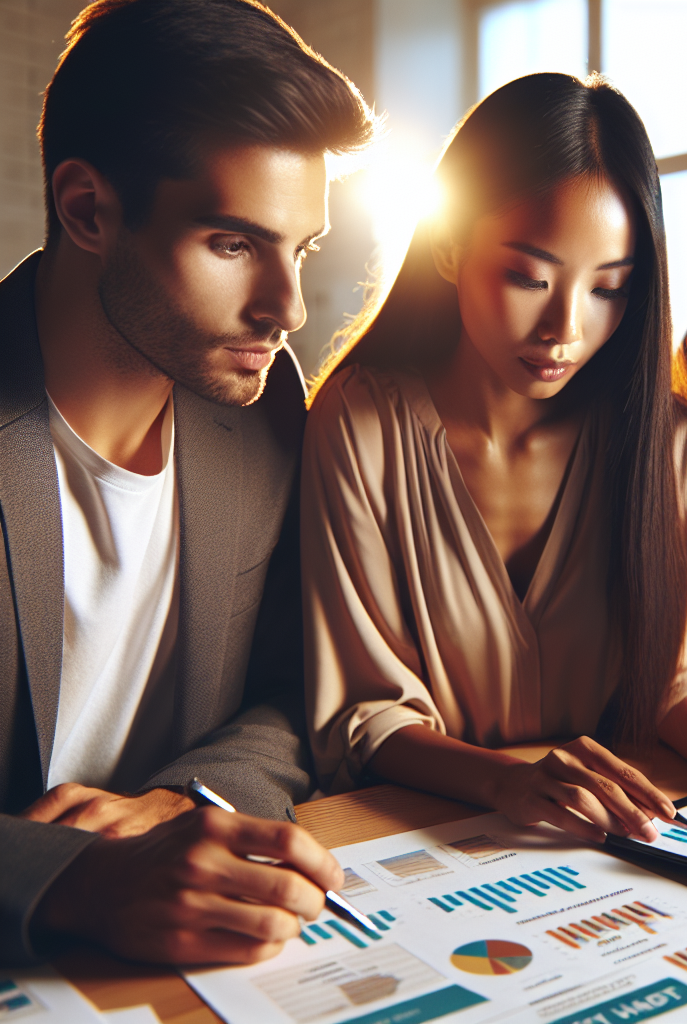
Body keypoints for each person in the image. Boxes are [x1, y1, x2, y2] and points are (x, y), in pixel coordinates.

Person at [302, 72, 687, 848]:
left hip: (610, 834)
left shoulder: (670, 442)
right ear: (451, 246)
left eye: (610, 289)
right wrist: (507, 782)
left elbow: (676, 680)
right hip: (419, 833)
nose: (565, 328)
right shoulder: (362, 422)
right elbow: (363, 714)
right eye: (529, 277)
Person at [1, 0, 376, 966]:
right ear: (88, 209)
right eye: (233, 244)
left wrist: (184, 800)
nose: (288, 306)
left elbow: (294, 690)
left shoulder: (260, 408)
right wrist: (63, 877)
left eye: (304, 249)